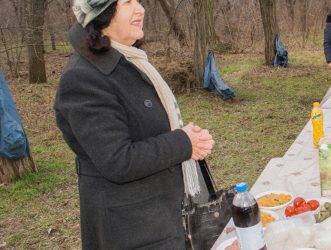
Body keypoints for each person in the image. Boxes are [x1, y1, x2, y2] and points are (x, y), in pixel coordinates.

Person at [54, 0, 215, 248]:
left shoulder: (129, 60)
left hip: (161, 216)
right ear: (102, 14)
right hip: (132, 230)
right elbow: (118, 160)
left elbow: (146, 127)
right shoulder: (82, 78)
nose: (141, 9)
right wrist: (183, 143)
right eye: (128, 2)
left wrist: (188, 138)